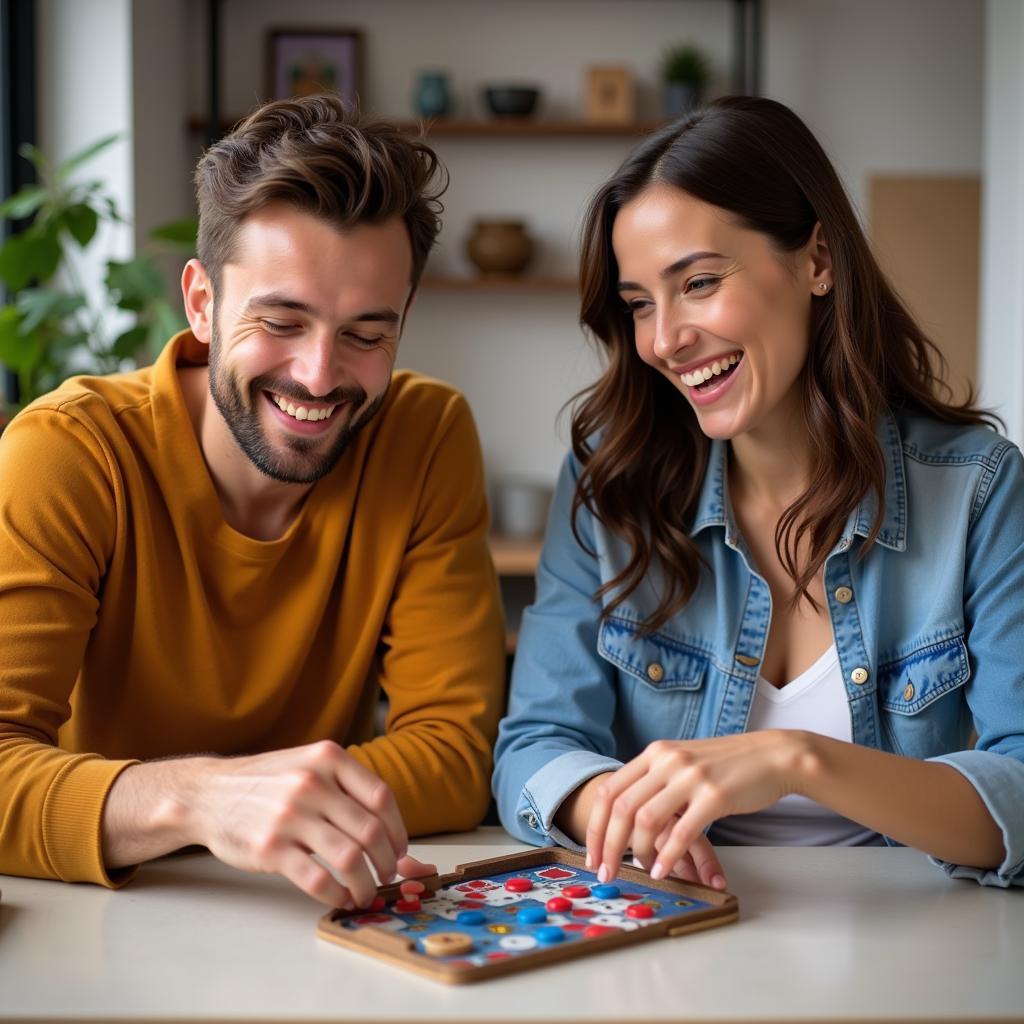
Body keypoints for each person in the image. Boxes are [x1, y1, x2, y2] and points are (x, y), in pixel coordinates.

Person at [493, 96, 1024, 891]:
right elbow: (533, 746)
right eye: (640, 304)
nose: (664, 340)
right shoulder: (609, 487)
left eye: (698, 282)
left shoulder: (978, 490)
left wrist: (796, 762)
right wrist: (612, 804)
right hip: (673, 932)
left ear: (817, 260)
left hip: (905, 949)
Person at [0, 95, 507, 906]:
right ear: (201, 302)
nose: (318, 374)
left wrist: (266, 811)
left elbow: (452, 755)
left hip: (307, 915)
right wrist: (207, 803)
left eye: (366, 334)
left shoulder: (425, 435)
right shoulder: (68, 453)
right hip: (104, 914)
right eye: (281, 320)